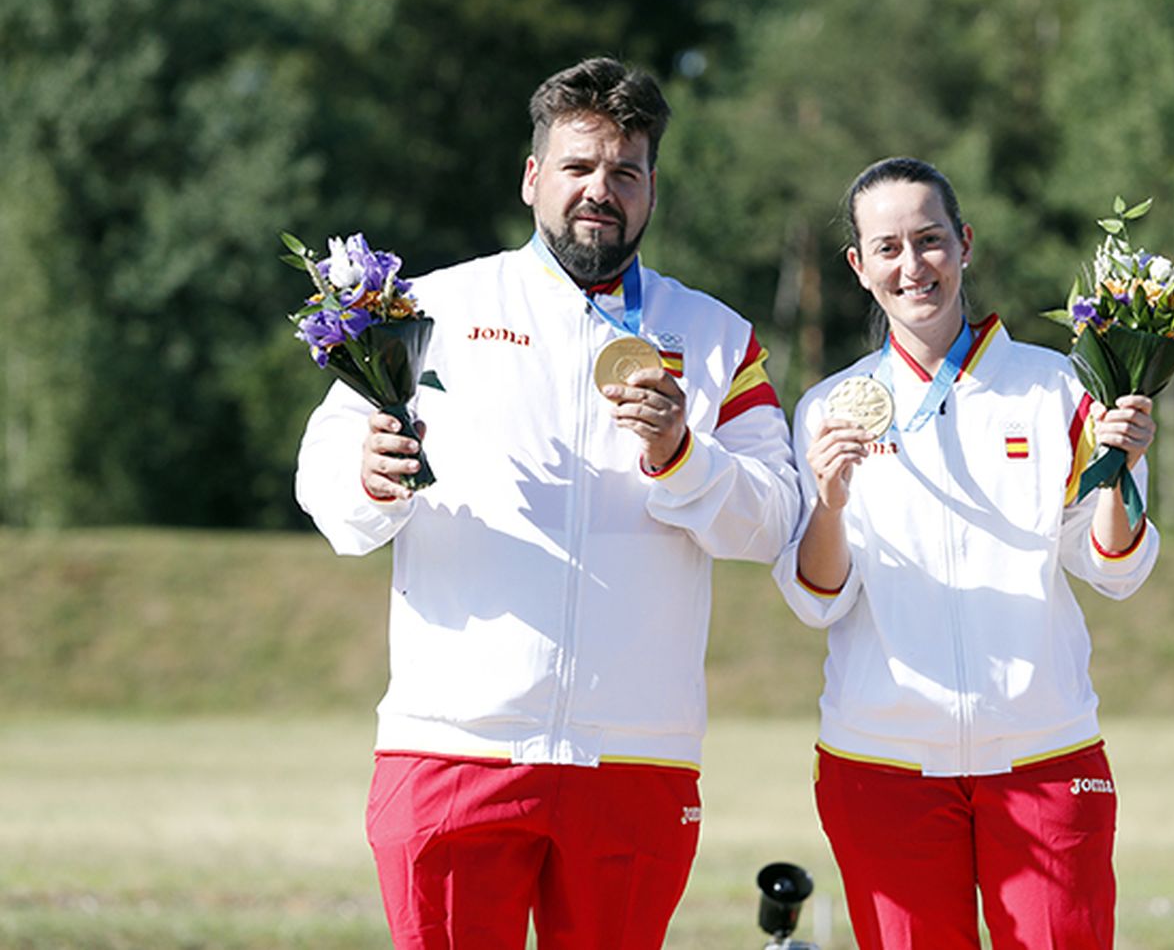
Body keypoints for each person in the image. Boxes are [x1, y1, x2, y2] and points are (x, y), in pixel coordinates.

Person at [295, 57, 800, 950]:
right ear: (534, 177)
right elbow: (327, 473)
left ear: (650, 190)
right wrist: (366, 480)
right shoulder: (428, 308)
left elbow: (771, 521)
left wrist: (683, 456)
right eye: (577, 167)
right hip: (453, 747)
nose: (598, 191)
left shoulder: (720, 336)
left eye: (624, 172)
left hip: (635, 756)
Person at [772, 157, 1161, 949]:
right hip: (882, 761)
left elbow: (1113, 569)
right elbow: (818, 597)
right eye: (887, 247)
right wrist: (830, 501)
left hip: (1044, 753)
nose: (912, 265)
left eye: (930, 240)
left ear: (966, 243)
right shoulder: (826, 408)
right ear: (858, 266)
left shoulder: (1059, 390)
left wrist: (1121, 473)